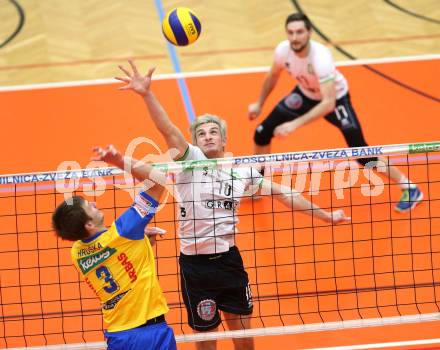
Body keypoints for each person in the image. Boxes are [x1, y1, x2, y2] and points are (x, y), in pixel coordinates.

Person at [116, 60, 350, 350]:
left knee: (244, 340)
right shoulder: (190, 161)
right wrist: (147, 94)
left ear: (224, 139)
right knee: (207, 342)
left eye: (213, 132)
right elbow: (168, 130)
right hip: (195, 267)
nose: (208, 136)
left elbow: (285, 194)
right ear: (195, 143)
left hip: (229, 262)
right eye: (201, 134)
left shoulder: (242, 172)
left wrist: (326, 216)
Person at [248, 12, 423, 212]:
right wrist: (259, 103)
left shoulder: (320, 57)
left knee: (362, 153)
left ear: (309, 32)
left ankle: (410, 188)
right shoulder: (283, 51)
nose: (294, 37)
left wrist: (293, 124)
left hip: (335, 99)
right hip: (305, 94)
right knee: (262, 133)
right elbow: (272, 76)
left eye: (299, 32)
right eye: (290, 33)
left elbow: (328, 104)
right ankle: (257, 185)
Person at [52, 145, 176, 350]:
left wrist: (140, 240)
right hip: (150, 334)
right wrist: (117, 160)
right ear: (89, 225)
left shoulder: (77, 252)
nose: (93, 203)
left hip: (118, 336)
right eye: (88, 206)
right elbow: (158, 181)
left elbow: (113, 253)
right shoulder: (124, 231)